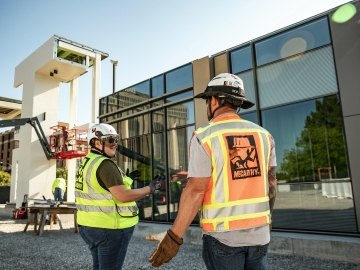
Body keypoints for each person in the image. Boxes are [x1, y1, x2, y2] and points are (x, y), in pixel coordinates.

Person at [148, 73, 277, 270]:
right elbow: (271, 184)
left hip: (223, 238)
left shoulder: (205, 136)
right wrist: (266, 221)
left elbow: (195, 190)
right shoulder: (264, 135)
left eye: (207, 100)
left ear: (215, 100)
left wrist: (174, 238)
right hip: (260, 235)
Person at [75, 123, 160, 270]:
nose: (114, 144)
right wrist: (149, 189)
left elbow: (102, 188)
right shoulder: (106, 164)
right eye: (110, 140)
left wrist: (128, 178)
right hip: (109, 228)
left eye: (115, 140)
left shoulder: (87, 162)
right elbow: (122, 195)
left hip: (89, 227)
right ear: (96, 142)